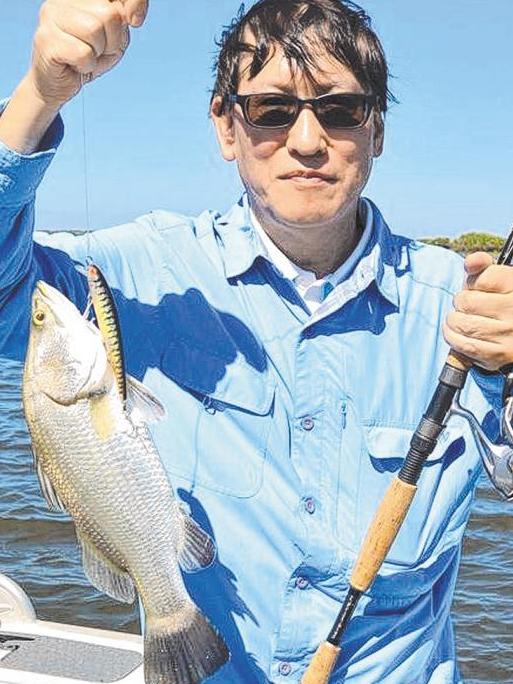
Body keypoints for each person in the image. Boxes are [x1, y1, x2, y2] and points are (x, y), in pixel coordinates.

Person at [1, 1, 512, 682]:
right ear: (225, 126)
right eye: (271, 110)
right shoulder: (135, 273)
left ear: (376, 130)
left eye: (340, 111)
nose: (306, 140)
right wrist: (40, 94)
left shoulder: (470, 306)